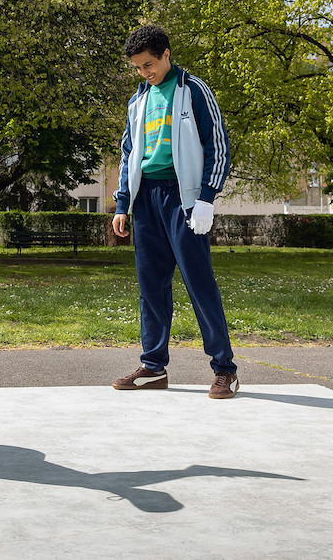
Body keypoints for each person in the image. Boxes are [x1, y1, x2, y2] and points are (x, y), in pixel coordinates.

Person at [110, 25, 239, 398]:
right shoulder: (138, 101)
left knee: (199, 285)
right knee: (151, 287)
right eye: (137, 67)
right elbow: (128, 153)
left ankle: (224, 369)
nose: (144, 72)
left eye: (148, 64)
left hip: (183, 202)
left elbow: (218, 144)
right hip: (146, 201)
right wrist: (123, 204)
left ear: (166, 54)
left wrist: (206, 197)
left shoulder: (194, 90)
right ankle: (153, 366)